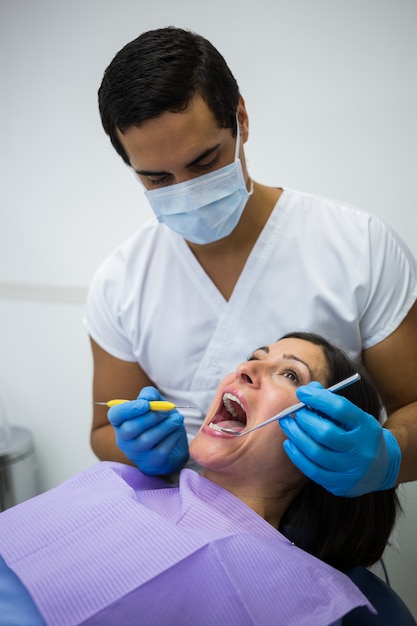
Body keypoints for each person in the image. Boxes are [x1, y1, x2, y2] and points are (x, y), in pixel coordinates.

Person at [86, 26, 417, 497]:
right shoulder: (120, 281)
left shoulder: (358, 245)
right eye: (157, 178)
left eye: (204, 161)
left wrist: (389, 455)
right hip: (189, 531)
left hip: (323, 542)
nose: (186, 189)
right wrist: (144, 448)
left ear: (240, 118)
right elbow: (103, 430)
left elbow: (414, 403)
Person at [0, 334, 408, 625]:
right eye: (255, 356)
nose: (246, 368)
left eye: (290, 376)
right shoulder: (115, 478)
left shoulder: (297, 596)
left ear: (325, 440)